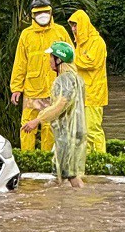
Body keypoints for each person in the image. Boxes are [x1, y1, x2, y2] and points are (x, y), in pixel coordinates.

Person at [10, 0, 72, 151]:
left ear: (51, 12)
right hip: (32, 89)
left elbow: (70, 57)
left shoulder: (60, 31)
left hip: (53, 88)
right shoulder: (26, 35)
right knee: (27, 126)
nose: (42, 15)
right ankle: (27, 157)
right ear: (32, 15)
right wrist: (16, 88)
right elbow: (20, 62)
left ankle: (45, 158)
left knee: (49, 126)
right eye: (38, 12)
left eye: (46, 12)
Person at [22, 41, 87, 188]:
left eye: (52, 57)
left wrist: (37, 120)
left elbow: (60, 105)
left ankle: (82, 204)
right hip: (75, 132)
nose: (49, 60)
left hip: (67, 135)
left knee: (71, 176)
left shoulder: (63, 80)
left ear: (59, 60)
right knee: (58, 176)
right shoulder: (77, 79)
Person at [68, 10, 108, 154]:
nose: (73, 29)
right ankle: (89, 159)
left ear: (83, 25)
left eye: (75, 25)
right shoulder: (79, 44)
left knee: (93, 129)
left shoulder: (97, 42)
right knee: (83, 131)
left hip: (94, 94)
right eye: (72, 26)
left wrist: (70, 58)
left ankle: (101, 158)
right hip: (81, 94)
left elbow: (91, 62)